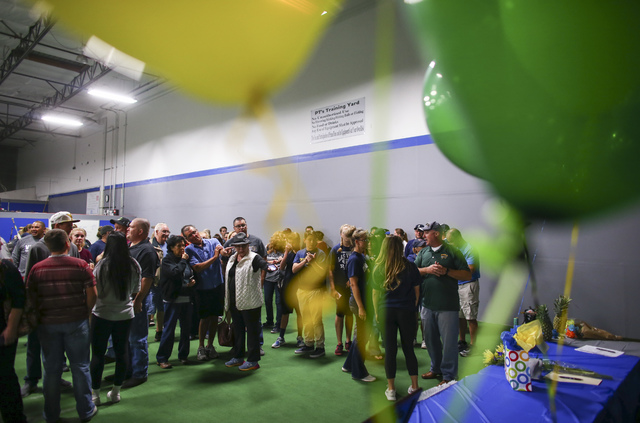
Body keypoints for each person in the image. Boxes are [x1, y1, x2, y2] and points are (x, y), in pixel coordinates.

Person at [26, 229, 98, 422]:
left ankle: (51, 414)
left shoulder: (37, 269)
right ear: (68, 243)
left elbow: (31, 299)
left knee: (51, 370)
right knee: (80, 367)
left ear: (47, 246)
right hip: (77, 322)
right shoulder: (81, 265)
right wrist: (85, 312)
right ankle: (86, 410)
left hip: (47, 324)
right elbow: (93, 294)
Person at [21, 211, 80, 397]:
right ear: (56, 227)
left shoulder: (73, 248)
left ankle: (55, 376)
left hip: (63, 307)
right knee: (34, 344)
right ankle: (31, 380)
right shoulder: (38, 249)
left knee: (57, 346)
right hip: (41, 306)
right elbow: (30, 281)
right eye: (68, 224)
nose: (72, 227)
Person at [415, 221, 471, 385]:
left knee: (449, 343)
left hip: (447, 306)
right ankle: (436, 369)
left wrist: (446, 271)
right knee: (431, 341)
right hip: (427, 305)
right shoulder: (423, 252)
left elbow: (467, 275)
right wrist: (427, 270)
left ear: (436, 233)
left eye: (426, 232)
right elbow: (413, 271)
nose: (423, 235)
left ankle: (449, 375)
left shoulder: (453, 252)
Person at [90, 232, 141, 405]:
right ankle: (116, 391)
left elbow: (94, 289)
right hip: (124, 314)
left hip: (102, 313)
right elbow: (135, 291)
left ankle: (95, 394)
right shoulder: (134, 265)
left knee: (97, 353)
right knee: (122, 352)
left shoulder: (102, 264)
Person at [372, 236, 421, 401]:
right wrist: (413, 308)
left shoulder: (379, 268)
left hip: (387, 311)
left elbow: (375, 294)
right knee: (409, 349)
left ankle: (391, 389)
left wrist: (377, 312)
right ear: (401, 248)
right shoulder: (410, 266)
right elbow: (416, 292)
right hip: (406, 311)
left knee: (390, 351)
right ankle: (414, 386)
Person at [223, 233, 268, 371]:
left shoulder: (254, 258)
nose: (241, 248)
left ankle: (253, 360)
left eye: (243, 246)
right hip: (234, 301)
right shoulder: (232, 258)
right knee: (238, 330)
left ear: (248, 245)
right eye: (238, 246)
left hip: (250, 302)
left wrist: (269, 269)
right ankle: (238, 356)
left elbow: (264, 265)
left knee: (253, 332)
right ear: (234, 246)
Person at [123, 218, 159, 389]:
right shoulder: (131, 247)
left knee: (137, 338)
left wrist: (138, 300)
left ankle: (139, 373)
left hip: (136, 300)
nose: (128, 229)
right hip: (125, 300)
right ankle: (127, 371)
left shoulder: (147, 250)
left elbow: (147, 278)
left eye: (131, 227)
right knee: (127, 339)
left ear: (140, 231)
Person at [182, 224, 224, 361]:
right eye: (190, 235)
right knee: (204, 318)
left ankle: (210, 345)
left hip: (218, 286)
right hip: (202, 289)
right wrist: (215, 257)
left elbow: (222, 252)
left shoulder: (213, 242)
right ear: (186, 238)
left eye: (195, 232)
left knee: (214, 317)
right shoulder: (189, 249)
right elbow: (198, 268)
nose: (194, 235)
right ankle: (201, 347)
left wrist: (224, 252)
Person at [156, 235, 196, 368]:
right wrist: (183, 261)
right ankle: (162, 358)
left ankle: (183, 356)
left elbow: (187, 273)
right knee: (169, 329)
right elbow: (174, 273)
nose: (182, 248)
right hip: (172, 300)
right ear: (171, 248)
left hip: (186, 299)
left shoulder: (184, 259)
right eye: (178, 246)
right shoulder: (167, 260)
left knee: (186, 329)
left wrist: (191, 281)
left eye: (183, 245)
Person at [342, 228, 375, 382]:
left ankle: (349, 364)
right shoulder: (355, 259)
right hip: (358, 303)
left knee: (361, 335)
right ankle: (359, 372)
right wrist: (361, 307)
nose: (367, 243)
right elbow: (353, 284)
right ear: (356, 242)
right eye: (364, 240)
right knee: (362, 337)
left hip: (364, 301)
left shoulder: (362, 257)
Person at [293, 230, 329, 358]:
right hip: (302, 291)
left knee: (316, 320)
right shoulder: (300, 253)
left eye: (314, 240)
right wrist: (305, 261)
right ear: (305, 241)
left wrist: (313, 262)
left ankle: (320, 347)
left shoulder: (321, 254)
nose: (311, 242)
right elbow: (294, 269)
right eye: (309, 240)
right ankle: (308, 344)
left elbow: (322, 273)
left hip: (316, 291)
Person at [0, 259, 28, 423]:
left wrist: (11, 327)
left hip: (3, 330)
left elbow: (19, 298)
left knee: (5, 376)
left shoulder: (6, 268)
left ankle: (15, 418)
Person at [446, 228, 481, 357]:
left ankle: (473, 346)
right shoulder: (455, 248)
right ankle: (462, 341)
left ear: (457, 238)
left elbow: (471, 269)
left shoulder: (470, 249)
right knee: (460, 315)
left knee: (470, 316)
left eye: (451, 241)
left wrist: (450, 270)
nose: (450, 244)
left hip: (469, 285)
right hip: (457, 284)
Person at [272, 232, 304, 348]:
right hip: (287, 286)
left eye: (292, 240)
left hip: (300, 287)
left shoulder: (301, 253)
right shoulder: (289, 253)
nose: (290, 243)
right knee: (285, 312)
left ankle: (300, 337)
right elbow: (281, 267)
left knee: (300, 314)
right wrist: (286, 252)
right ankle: (281, 337)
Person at [328, 224, 356, 356]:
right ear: (341, 235)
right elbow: (330, 270)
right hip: (339, 288)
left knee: (350, 314)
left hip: (352, 287)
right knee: (339, 314)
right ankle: (339, 342)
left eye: (350, 236)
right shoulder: (335, 250)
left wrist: (351, 281)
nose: (348, 238)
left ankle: (348, 340)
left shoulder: (355, 250)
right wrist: (332, 288)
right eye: (346, 235)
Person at [150, 223, 170, 342]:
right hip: (154, 281)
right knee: (154, 307)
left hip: (167, 281)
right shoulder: (150, 246)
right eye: (164, 232)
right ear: (156, 232)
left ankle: (162, 330)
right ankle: (156, 330)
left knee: (164, 307)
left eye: (168, 232)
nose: (166, 234)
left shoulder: (169, 246)